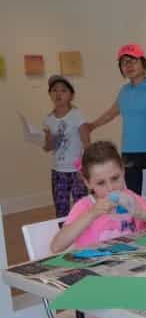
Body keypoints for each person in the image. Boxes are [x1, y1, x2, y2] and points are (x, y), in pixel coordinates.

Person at [50, 141, 146, 253]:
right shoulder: (85, 206)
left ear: (123, 171)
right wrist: (91, 214)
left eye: (115, 178)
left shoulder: (130, 197)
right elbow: (56, 247)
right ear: (88, 183)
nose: (110, 188)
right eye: (101, 183)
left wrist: (141, 213)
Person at [87, 44, 146, 194]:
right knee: (132, 195)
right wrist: (91, 126)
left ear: (143, 63)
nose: (128, 65)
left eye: (133, 61)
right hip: (129, 153)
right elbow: (110, 114)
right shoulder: (124, 92)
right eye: (124, 62)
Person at [43, 75, 89, 217]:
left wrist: (85, 168)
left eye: (63, 90)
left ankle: (83, 236)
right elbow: (48, 147)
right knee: (61, 208)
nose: (58, 94)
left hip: (77, 170)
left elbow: (87, 142)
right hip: (58, 171)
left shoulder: (77, 115)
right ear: (50, 94)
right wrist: (49, 140)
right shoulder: (48, 119)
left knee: (81, 208)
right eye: (54, 90)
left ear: (71, 95)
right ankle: (65, 236)